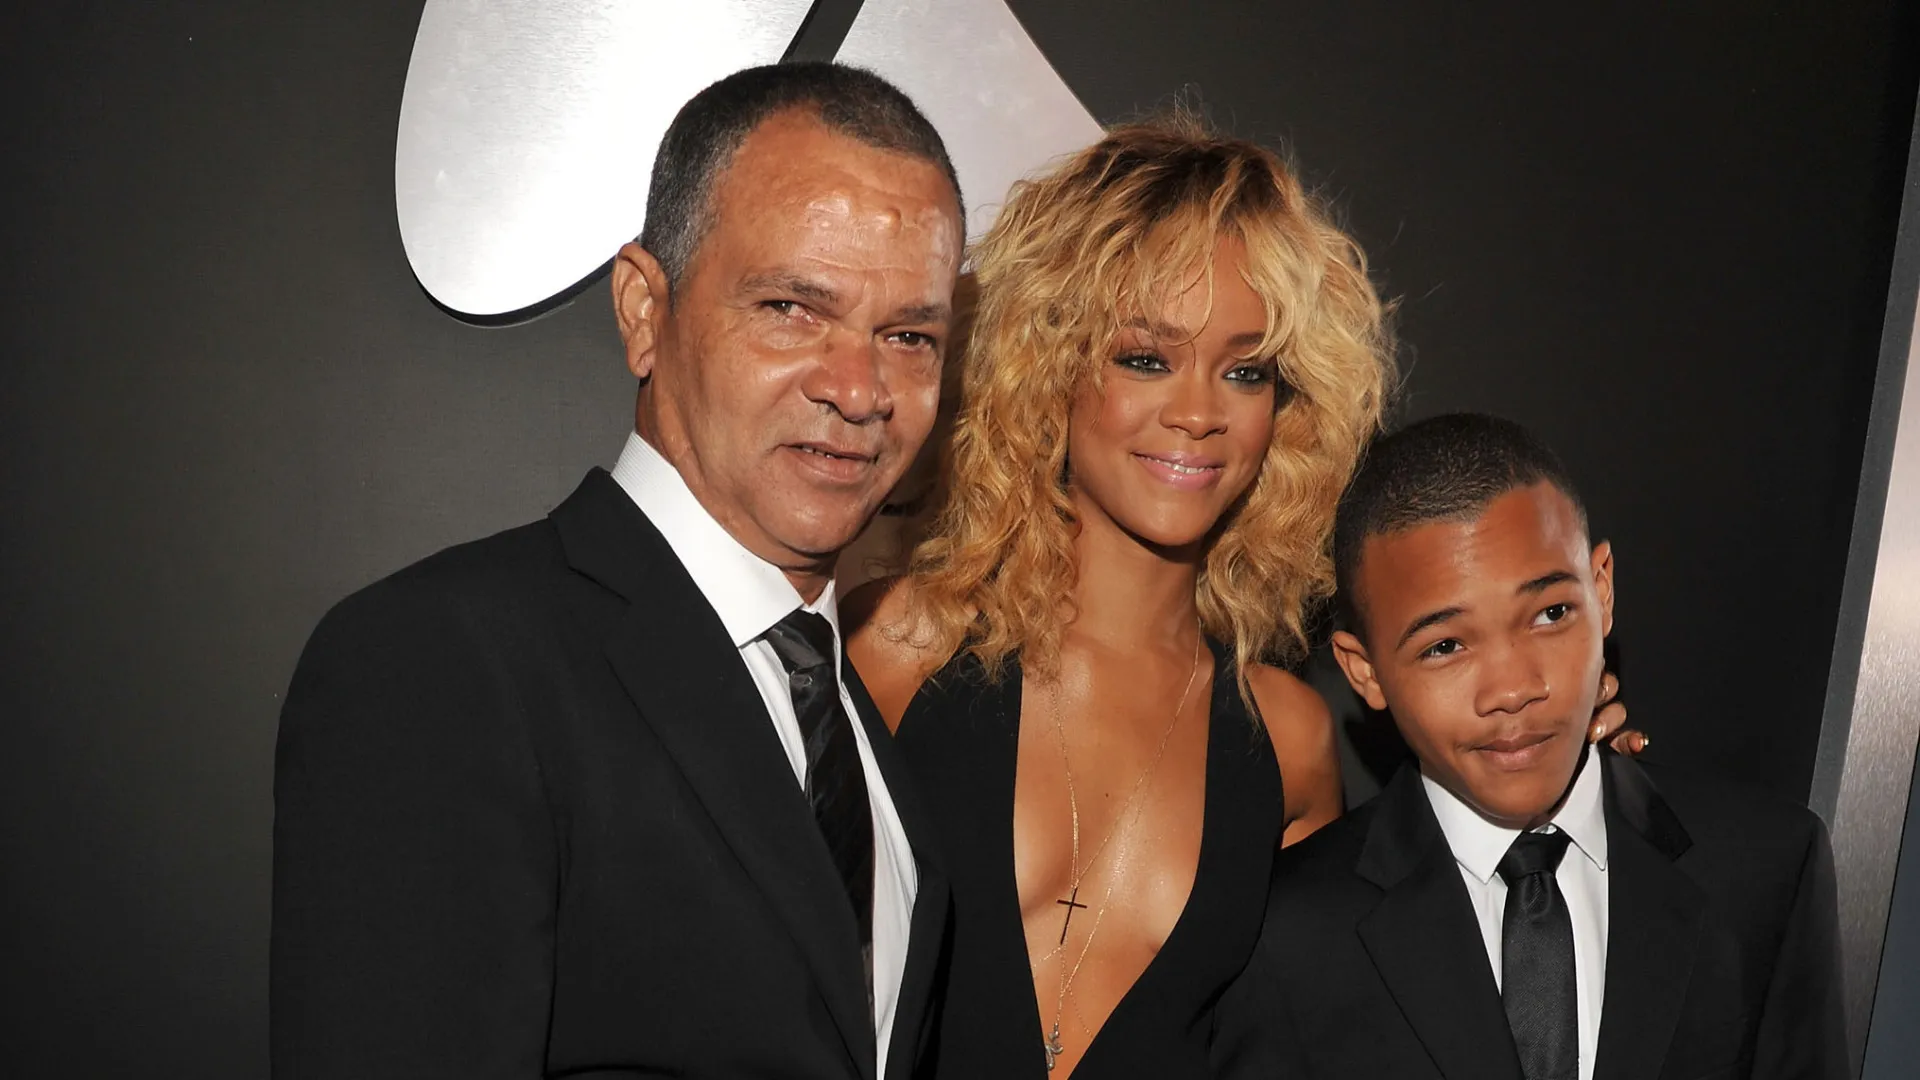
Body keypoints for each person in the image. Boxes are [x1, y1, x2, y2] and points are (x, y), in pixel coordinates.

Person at [845, 120, 1631, 1077]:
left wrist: (1574, 780)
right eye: (1146, 357)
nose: (1199, 412)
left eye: (1246, 371)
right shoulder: (897, 645)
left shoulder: (1289, 739)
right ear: (1049, 367)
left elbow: (1359, 1016)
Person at [271, 63, 964, 1080]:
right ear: (644, 310)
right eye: (791, 308)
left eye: (907, 335)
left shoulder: (863, 720)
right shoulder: (442, 666)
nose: (859, 390)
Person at [1210, 413, 1848, 1080]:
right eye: (1445, 646)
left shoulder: (1767, 867)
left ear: (1601, 589)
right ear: (1365, 670)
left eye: (1550, 614)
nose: (1513, 689)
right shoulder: (1284, 934)